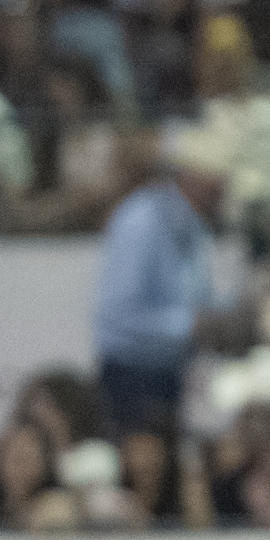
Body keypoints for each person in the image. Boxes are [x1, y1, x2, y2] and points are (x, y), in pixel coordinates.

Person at [92, 118, 235, 518]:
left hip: (170, 373)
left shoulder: (191, 227)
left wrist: (222, 314)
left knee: (170, 485)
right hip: (133, 377)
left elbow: (195, 297)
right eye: (216, 180)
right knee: (137, 482)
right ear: (192, 178)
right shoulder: (140, 222)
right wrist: (189, 325)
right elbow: (117, 316)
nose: (224, 189)